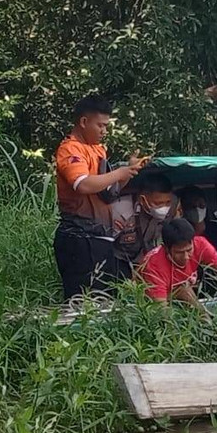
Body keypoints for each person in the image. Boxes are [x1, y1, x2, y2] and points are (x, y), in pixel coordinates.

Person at [53, 94, 145, 299]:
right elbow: (83, 184)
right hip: (78, 235)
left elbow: (108, 192)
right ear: (84, 122)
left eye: (106, 126)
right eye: (100, 125)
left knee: (104, 297)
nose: (104, 131)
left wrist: (128, 171)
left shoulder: (98, 149)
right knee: (83, 301)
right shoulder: (70, 149)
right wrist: (118, 173)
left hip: (99, 235)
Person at [137, 218, 217, 309]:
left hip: (181, 290)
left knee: (193, 302)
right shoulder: (154, 266)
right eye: (179, 252)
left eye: (189, 250)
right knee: (184, 292)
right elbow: (161, 312)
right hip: (150, 302)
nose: (186, 257)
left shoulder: (200, 244)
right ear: (166, 249)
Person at [113, 173, 176, 270]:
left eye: (167, 202)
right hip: (118, 262)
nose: (164, 207)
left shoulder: (172, 208)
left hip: (147, 262)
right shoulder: (121, 212)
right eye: (158, 203)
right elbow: (104, 246)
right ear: (142, 199)